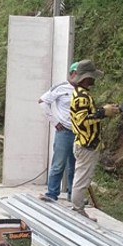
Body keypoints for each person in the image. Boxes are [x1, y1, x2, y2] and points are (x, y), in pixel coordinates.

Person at [69, 60, 119, 220]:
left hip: (85, 143)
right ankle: (78, 210)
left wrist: (103, 110)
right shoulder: (82, 98)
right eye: (92, 76)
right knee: (82, 179)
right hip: (86, 144)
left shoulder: (81, 94)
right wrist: (102, 113)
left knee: (82, 177)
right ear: (86, 78)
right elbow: (82, 121)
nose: (94, 79)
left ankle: (78, 208)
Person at [38, 61, 79, 202]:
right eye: (78, 74)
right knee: (59, 163)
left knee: (75, 166)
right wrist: (55, 122)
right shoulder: (62, 88)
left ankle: (73, 195)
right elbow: (42, 101)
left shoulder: (83, 91)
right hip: (65, 132)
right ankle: (52, 193)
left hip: (79, 133)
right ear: (72, 74)